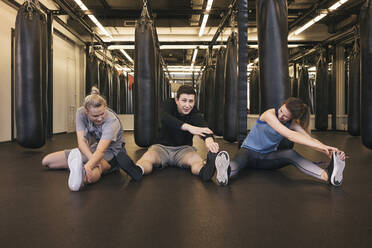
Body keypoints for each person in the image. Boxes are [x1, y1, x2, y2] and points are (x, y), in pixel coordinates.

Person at [216, 97, 346, 187]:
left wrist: (329, 149)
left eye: (285, 116)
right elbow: (290, 135)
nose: (281, 116)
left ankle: (328, 176)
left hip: (267, 158)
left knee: (290, 154)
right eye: (281, 110)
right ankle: (225, 172)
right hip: (248, 152)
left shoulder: (292, 123)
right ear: (282, 104)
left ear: (292, 118)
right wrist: (322, 146)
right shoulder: (269, 114)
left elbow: (309, 139)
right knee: (238, 162)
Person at [121, 85, 229, 181]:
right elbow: (164, 117)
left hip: (183, 149)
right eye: (184, 100)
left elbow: (203, 126)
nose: (187, 105)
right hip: (161, 147)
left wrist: (209, 140)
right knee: (148, 158)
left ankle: (204, 172)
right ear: (177, 100)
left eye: (191, 101)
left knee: (195, 160)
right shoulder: (168, 104)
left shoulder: (194, 113)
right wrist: (189, 127)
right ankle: (137, 170)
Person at [42, 93, 141, 191]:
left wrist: (88, 166)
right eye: (95, 115)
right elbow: (81, 142)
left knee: (94, 170)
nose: (100, 118)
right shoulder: (80, 113)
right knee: (47, 162)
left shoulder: (112, 121)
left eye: (102, 113)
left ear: (105, 108)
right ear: (86, 111)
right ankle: (77, 168)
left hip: (113, 154)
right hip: (93, 149)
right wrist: (91, 160)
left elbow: (101, 151)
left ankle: (79, 179)